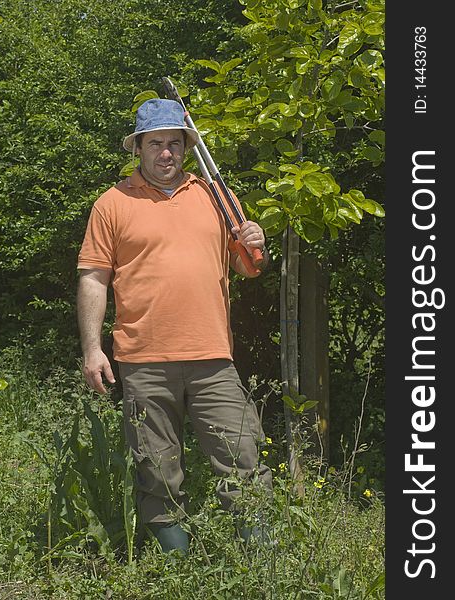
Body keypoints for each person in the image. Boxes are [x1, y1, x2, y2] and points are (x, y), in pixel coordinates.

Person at [76, 98, 273, 555]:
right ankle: (178, 574)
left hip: (213, 360)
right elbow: (93, 277)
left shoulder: (214, 195)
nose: (166, 153)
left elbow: (249, 267)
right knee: (157, 473)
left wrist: (254, 241)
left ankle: (265, 571)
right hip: (143, 361)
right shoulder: (112, 204)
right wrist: (92, 348)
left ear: (185, 147)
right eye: (156, 143)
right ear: (139, 148)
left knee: (244, 460)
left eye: (174, 144)